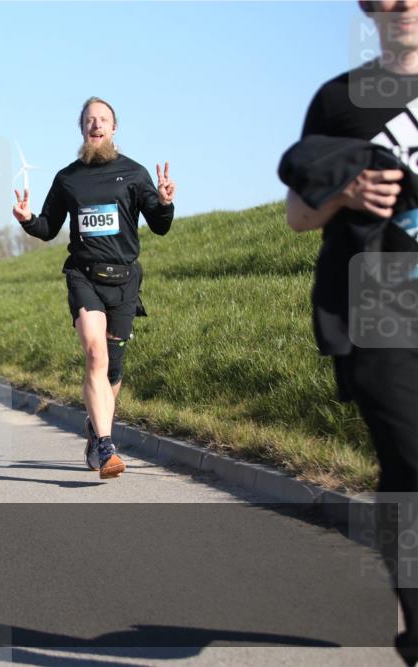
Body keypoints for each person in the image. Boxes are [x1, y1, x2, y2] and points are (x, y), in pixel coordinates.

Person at [283, 4, 418, 663]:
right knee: (410, 454)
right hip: (377, 304)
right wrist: (347, 193)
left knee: (404, 470)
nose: (404, 6)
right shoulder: (339, 99)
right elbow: (297, 215)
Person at [14, 96, 175, 479]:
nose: (96, 125)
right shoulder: (68, 178)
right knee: (94, 355)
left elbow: (161, 225)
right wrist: (27, 219)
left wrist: (165, 203)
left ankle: (94, 430)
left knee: (113, 370)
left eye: (103, 119)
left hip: (124, 279)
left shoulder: (134, 174)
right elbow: (49, 228)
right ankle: (106, 447)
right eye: (90, 120)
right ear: (81, 128)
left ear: (114, 128)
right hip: (83, 275)